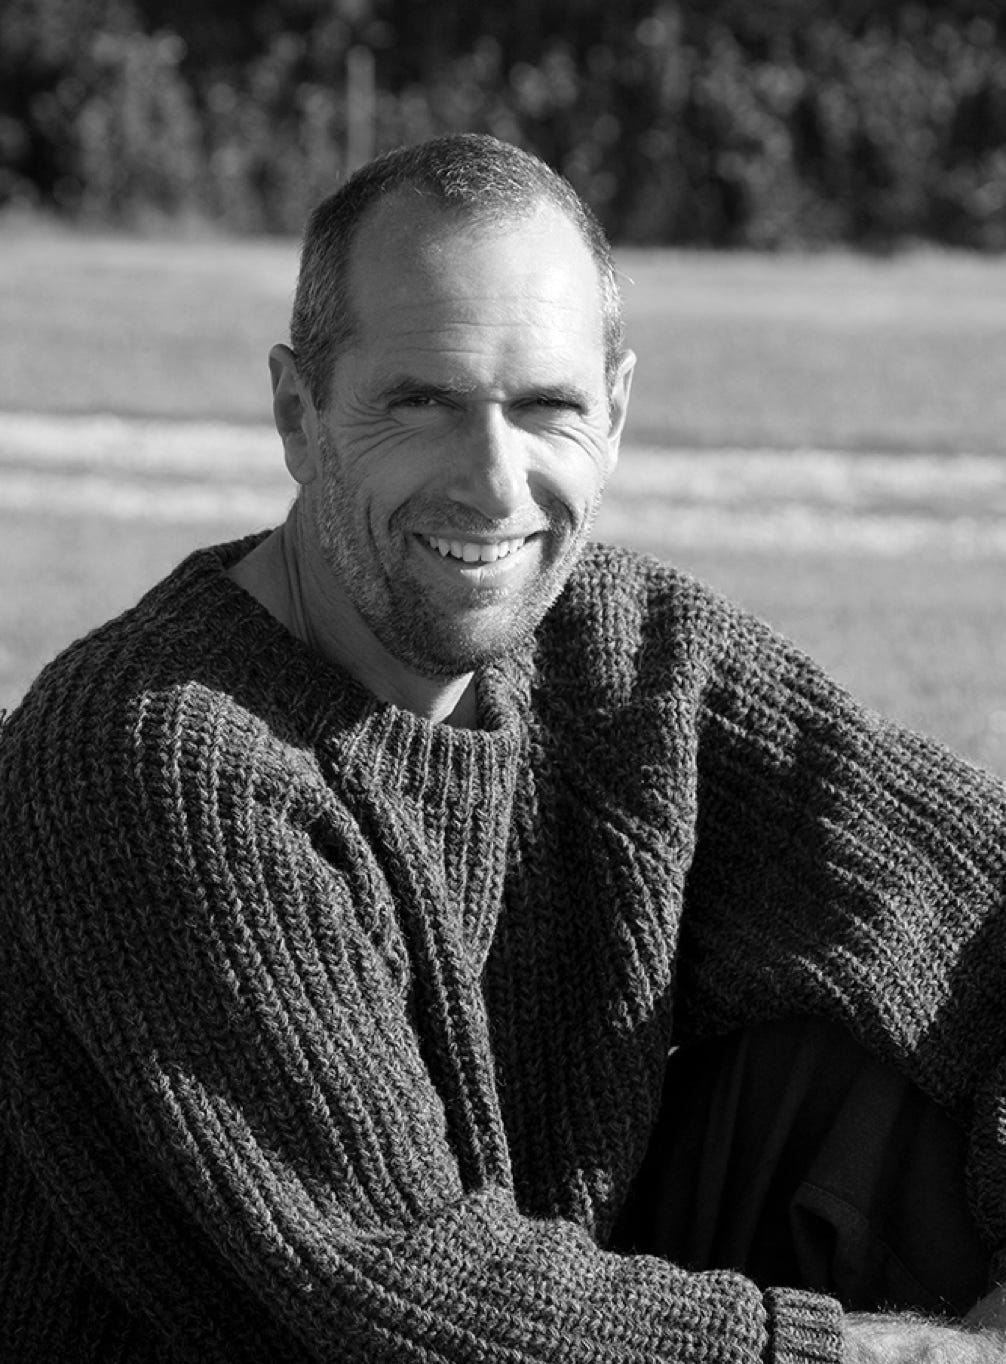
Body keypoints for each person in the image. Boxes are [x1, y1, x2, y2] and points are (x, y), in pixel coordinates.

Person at [1, 133, 1005, 1364]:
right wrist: (887, 1353)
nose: (492, 483)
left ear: (617, 410)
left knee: (874, 1054)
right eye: (420, 402)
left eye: (547, 407)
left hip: (557, 1295)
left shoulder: (631, 655)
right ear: (296, 413)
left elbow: (980, 897)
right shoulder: (157, 754)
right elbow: (391, 1284)